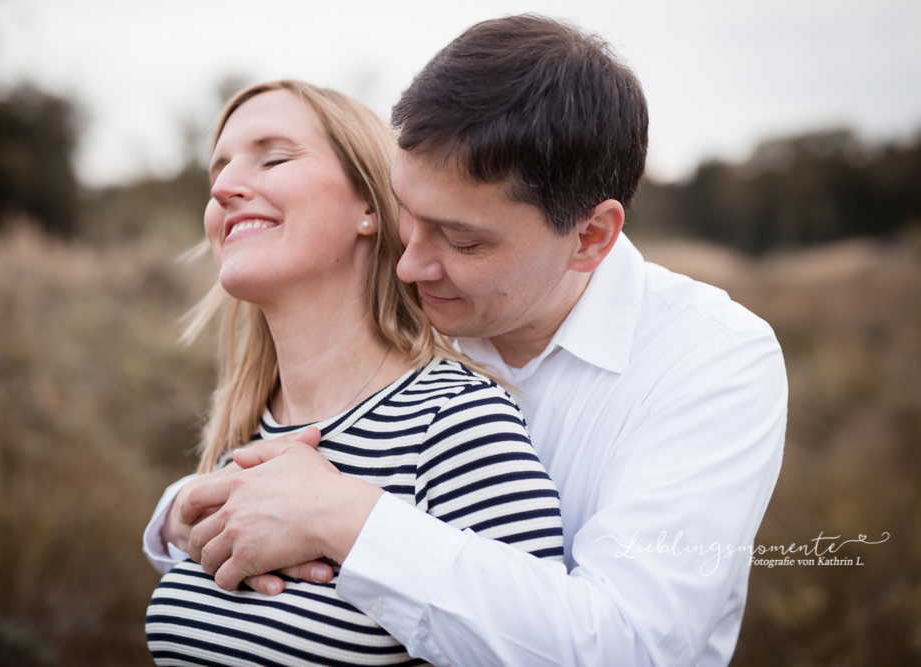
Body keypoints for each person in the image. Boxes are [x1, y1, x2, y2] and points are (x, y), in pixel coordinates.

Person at [146, 15, 787, 667]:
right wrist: (193, 509)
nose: (408, 264)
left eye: (462, 239)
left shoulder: (712, 360)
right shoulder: (410, 313)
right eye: (406, 213)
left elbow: (628, 647)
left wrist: (345, 516)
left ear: (590, 237)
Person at [143, 79, 564, 666]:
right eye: (219, 168)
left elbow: (542, 646)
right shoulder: (240, 442)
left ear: (369, 205)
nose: (223, 187)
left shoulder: (456, 420)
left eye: (273, 157)